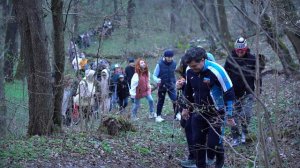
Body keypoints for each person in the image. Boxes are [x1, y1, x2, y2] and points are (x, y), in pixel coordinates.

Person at [177, 46, 236, 168]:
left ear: (203, 60)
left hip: (216, 112)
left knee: (213, 144)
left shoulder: (216, 70)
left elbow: (229, 92)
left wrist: (229, 115)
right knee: (197, 141)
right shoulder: (189, 70)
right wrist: (184, 108)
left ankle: (220, 161)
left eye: (195, 66)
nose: (192, 69)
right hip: (198, 111)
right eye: (190, 66)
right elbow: (187, 91)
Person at [175, 51, 216, 167]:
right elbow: (179, 73)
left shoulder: (209, 59)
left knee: (210, 131)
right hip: (190, 100)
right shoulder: (185, 62)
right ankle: (194, 157)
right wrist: (180, 82)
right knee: (188, 126)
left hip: (209, 103)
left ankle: (213, 157)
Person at [224, 37, 256, 146]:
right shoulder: (230, 59)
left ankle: (244, 133)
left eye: (242, 50)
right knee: (233, 115)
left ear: (246, 49)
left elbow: (257, 75)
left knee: (246, 114)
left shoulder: (252, 59)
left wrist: (258, 90)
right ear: (235, 49)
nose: (240, 52)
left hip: (248, 92)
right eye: (238, 50)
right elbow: (225, 75)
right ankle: (235, 137)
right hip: (233, 93)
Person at [153, 49, 177, 122]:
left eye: (171, 57)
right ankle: (158, 116)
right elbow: (154, 75)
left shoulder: (174, 64)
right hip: (162, 86)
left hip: (171, 85)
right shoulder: (159, 64)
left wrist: (176, 81)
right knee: (161, 100)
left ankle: (177, 115)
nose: (170, 59)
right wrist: (157, 80)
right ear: (165, 57)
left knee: (175, 99)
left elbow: (176, 74)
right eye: (168, 57)